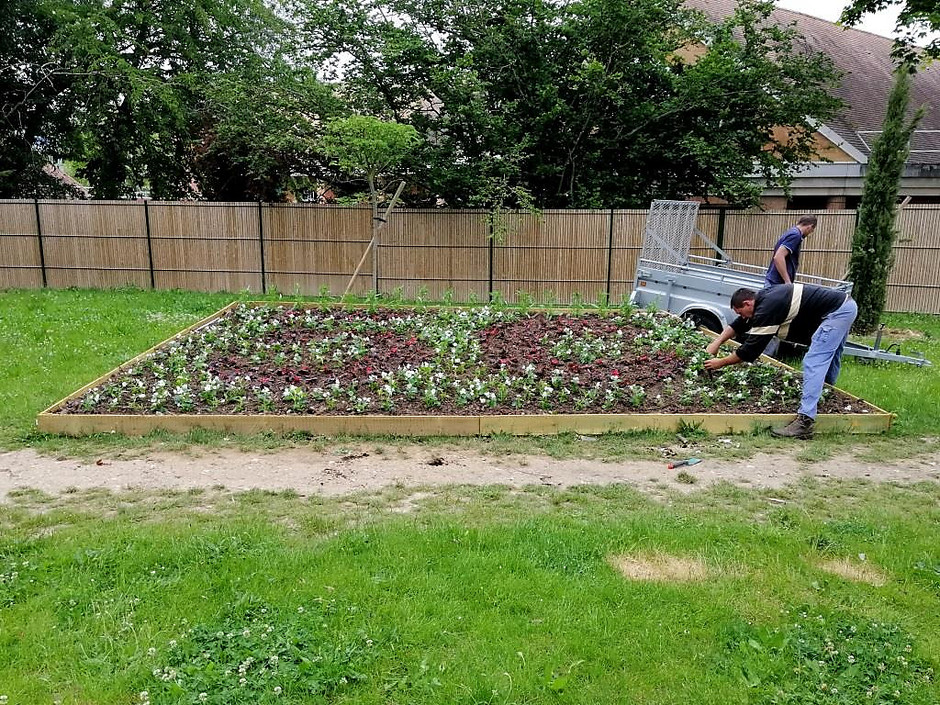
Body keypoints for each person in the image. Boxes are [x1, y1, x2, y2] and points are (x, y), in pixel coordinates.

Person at [703, 283, 857, 439]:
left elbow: (750, 351)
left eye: (741, 312)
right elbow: (740, 324)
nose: (742, 317)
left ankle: (805, 421)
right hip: (843, 306)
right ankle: (826, 392)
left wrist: (720, 362)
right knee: (830, 354)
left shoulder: (767, 308)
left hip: (837, 312)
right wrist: (716, 342)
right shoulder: (763, 300)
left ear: (747, 303)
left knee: (814, 361)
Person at [765, 215, 817, 287]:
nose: (810, 233)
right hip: (777, 283)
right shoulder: (795, 235)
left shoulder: (792, 232)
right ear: (810, 226)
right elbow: (778, 257)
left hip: (774, 281)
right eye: (812, 230)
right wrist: (787, 281)